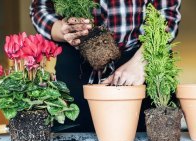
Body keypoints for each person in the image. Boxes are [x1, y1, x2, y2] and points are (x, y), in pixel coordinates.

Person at [30, 0, 181, 132]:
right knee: (72, 136)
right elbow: (40, 8)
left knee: (140, 135)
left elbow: (166, 14)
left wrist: (142, 61)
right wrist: (63, 30)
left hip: (137, 65)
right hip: (76, 68)